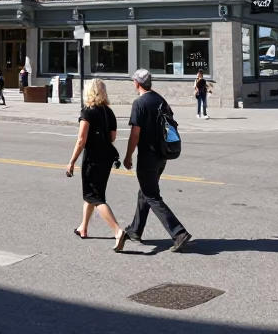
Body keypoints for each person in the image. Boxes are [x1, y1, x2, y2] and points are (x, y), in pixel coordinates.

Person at [122, 69, 192, 252]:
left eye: (133, 81)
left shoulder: (139, 103)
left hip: (147, 156)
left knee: (151, 195)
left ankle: (178, 233)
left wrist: (128, 156)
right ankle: (135, 230)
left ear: (137, 83)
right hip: (162, 155)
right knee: (145, 192)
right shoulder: (160, 100)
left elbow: (135, 135)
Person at [66, 79, 128, 252]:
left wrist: (71, 161)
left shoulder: (88, 112)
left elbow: (81, 140)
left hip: (92, 158)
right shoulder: (109, 112)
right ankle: (83, 227)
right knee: (93, 193)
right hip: (106, 158)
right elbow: (113, 137)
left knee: (96, 197)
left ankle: (117, 231)